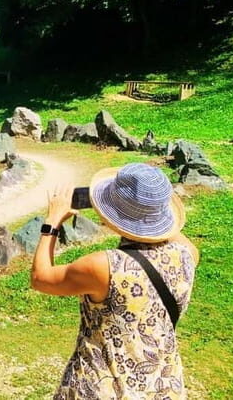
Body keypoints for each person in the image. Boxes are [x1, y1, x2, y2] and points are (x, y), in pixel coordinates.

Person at [30, 163, 199, 399]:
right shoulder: (187, 254)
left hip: (102, 388)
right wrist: (152, 211)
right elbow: (169, 232)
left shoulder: (104, 267)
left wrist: (53, 221)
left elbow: (41, 278)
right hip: (162, 386)